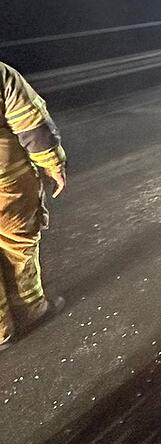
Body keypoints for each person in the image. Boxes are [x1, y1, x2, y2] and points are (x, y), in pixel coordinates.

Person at [0, 62, 67, 347]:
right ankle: (31, 309)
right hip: (7, 181)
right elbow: (31, 124)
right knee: (18, 245)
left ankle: (1, 329)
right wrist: (53, 165)